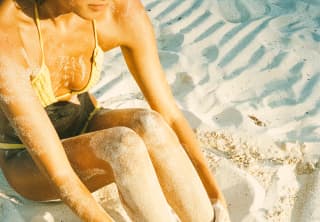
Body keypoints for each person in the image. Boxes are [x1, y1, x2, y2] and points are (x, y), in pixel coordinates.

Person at [0, 0, 229, 221]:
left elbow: (169, 114)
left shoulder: (119, 11)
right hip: (28, 161)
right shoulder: (9, 33)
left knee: (150, 124)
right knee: (122, 146)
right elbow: (62, 176)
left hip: (86, 124)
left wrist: (215, 196)